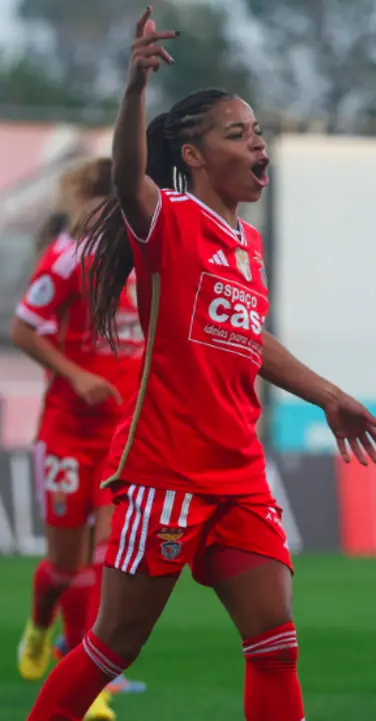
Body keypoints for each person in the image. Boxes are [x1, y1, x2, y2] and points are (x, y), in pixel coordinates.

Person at [26, 9, 376, 721]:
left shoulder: (244, 245)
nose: (257, 143)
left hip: (238, 475)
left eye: (257, 132)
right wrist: (134, 88)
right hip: (167, 470)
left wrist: (328, 394)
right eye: (237, 132)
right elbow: (129, 177)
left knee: (276, 644)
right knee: (111, 646)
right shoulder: (170, 218)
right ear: (192, 156)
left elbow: (249, 339)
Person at [13, 157, 145, 721]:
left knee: (110, 553)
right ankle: (42, 622)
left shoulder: (149, 255)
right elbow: (22, 328)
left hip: (124, 435)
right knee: (65, 567)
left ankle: (86, 676)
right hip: (68, 431)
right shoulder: (69, 258)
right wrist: (77, 375)